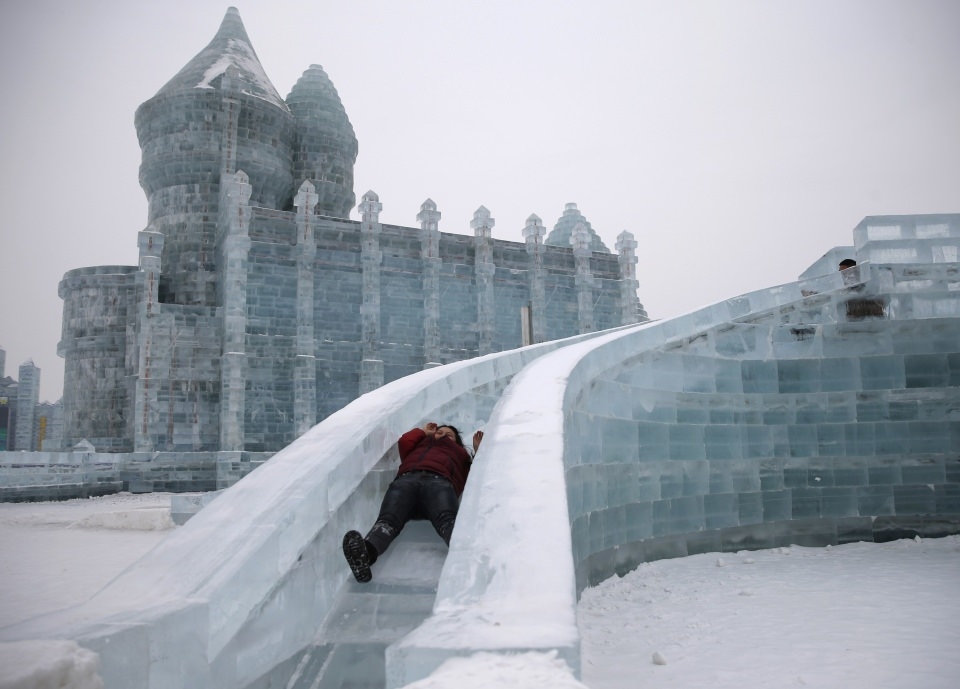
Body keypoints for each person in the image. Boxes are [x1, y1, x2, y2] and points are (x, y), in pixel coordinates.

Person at [342, 422, 483, 583]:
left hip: (439, 483)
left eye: (449, 435)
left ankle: (466, 556)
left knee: (447, 521)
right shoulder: (420, 445)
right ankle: (365, 555)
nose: (443, 435)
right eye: (439, 432)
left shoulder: (461, 454)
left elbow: (474, 475)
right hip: (406, 481)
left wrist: (479, 451)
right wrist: (423, 432)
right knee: (387, 521)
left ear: (457, 442)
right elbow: (405, 442)